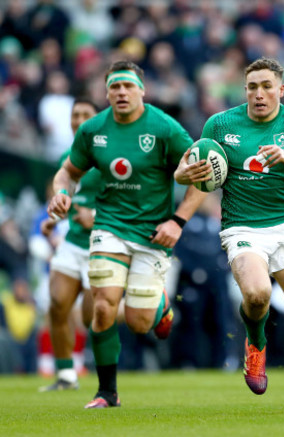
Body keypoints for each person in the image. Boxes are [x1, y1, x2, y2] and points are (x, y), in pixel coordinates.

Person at [47, 60, 207, 408]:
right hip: (110, 228)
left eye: (128, 86)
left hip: (153, 234)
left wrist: (177, 222)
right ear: (106, 93)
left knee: (138, 322)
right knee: (102, 308)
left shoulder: (165, 129)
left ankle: (160, 304)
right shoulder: (92, 130)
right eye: (114, 87)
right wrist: (62, 193)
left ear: (142, 90)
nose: (121, 93)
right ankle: (107, 392)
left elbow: (201, 179)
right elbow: (67, 172)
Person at [174, 58, 284, 414]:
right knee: (257, 294)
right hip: (242, 227)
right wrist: (185, 174)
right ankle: (256, 344)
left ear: (281, 90)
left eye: (266, 87)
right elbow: (187, 171)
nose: (259, 94)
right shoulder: (221, 124)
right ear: (245, 90)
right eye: (252, 87)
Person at [39, 98, 99, 391]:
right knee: (58, 304)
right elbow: (67, 199)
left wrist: (97, 216)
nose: (79, 119)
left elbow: (132, 199)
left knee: (92, 317)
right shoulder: (69, 156)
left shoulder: (110, 156)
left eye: (86, 114)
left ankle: (150, 306)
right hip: (73, 241)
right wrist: (54, 220)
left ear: (98, 119)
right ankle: (65, 375)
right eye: (75, 114)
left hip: (103, 245)